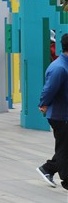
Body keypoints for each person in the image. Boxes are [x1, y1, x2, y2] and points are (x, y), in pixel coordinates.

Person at [38, 33, 68, 190]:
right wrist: (44, 103)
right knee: (64, 149)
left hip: (64, 113)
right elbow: (49, 89)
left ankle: (48, 168)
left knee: (64, 147)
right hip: (61, 115)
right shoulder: (59, 68)